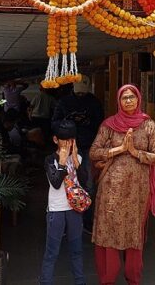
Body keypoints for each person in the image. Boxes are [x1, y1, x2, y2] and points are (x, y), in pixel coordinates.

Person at [89, 85, 155, 285]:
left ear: (138, 99)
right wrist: (119, 149)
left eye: (132, 97)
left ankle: (133, 279)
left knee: (133, 234)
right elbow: (94, 152)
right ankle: (107, 279)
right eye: (124, 98)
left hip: (137, 191)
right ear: (118, 102)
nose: (128, 101)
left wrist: (135, 152)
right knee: (109, 234)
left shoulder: (148, 125)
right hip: (110, 191)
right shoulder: (109, 125)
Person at [38, 120, 88, 285]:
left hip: (74, 209)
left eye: (71, 140)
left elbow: (85, 181)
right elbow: (56, 182)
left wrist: (75, 160)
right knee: (52, 252)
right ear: (55, 140)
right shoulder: (49, 160)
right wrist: (61, 161)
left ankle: (80, 282)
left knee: (76, 250)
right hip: (56, 210)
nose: (67, 143)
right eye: (64, 139)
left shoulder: (78, 157)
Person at [53, 78, 105, 229]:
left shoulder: (94, 102)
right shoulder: (64, 102)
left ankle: (87, 220)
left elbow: (100, 123)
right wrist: (68, 124)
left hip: (89, 145)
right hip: (67, 147)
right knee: (67, 182)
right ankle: (67, 222)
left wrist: (88, 123)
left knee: (88, 183)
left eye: (84, 92)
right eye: (78, 92)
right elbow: (54, 122)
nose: (81, 95)